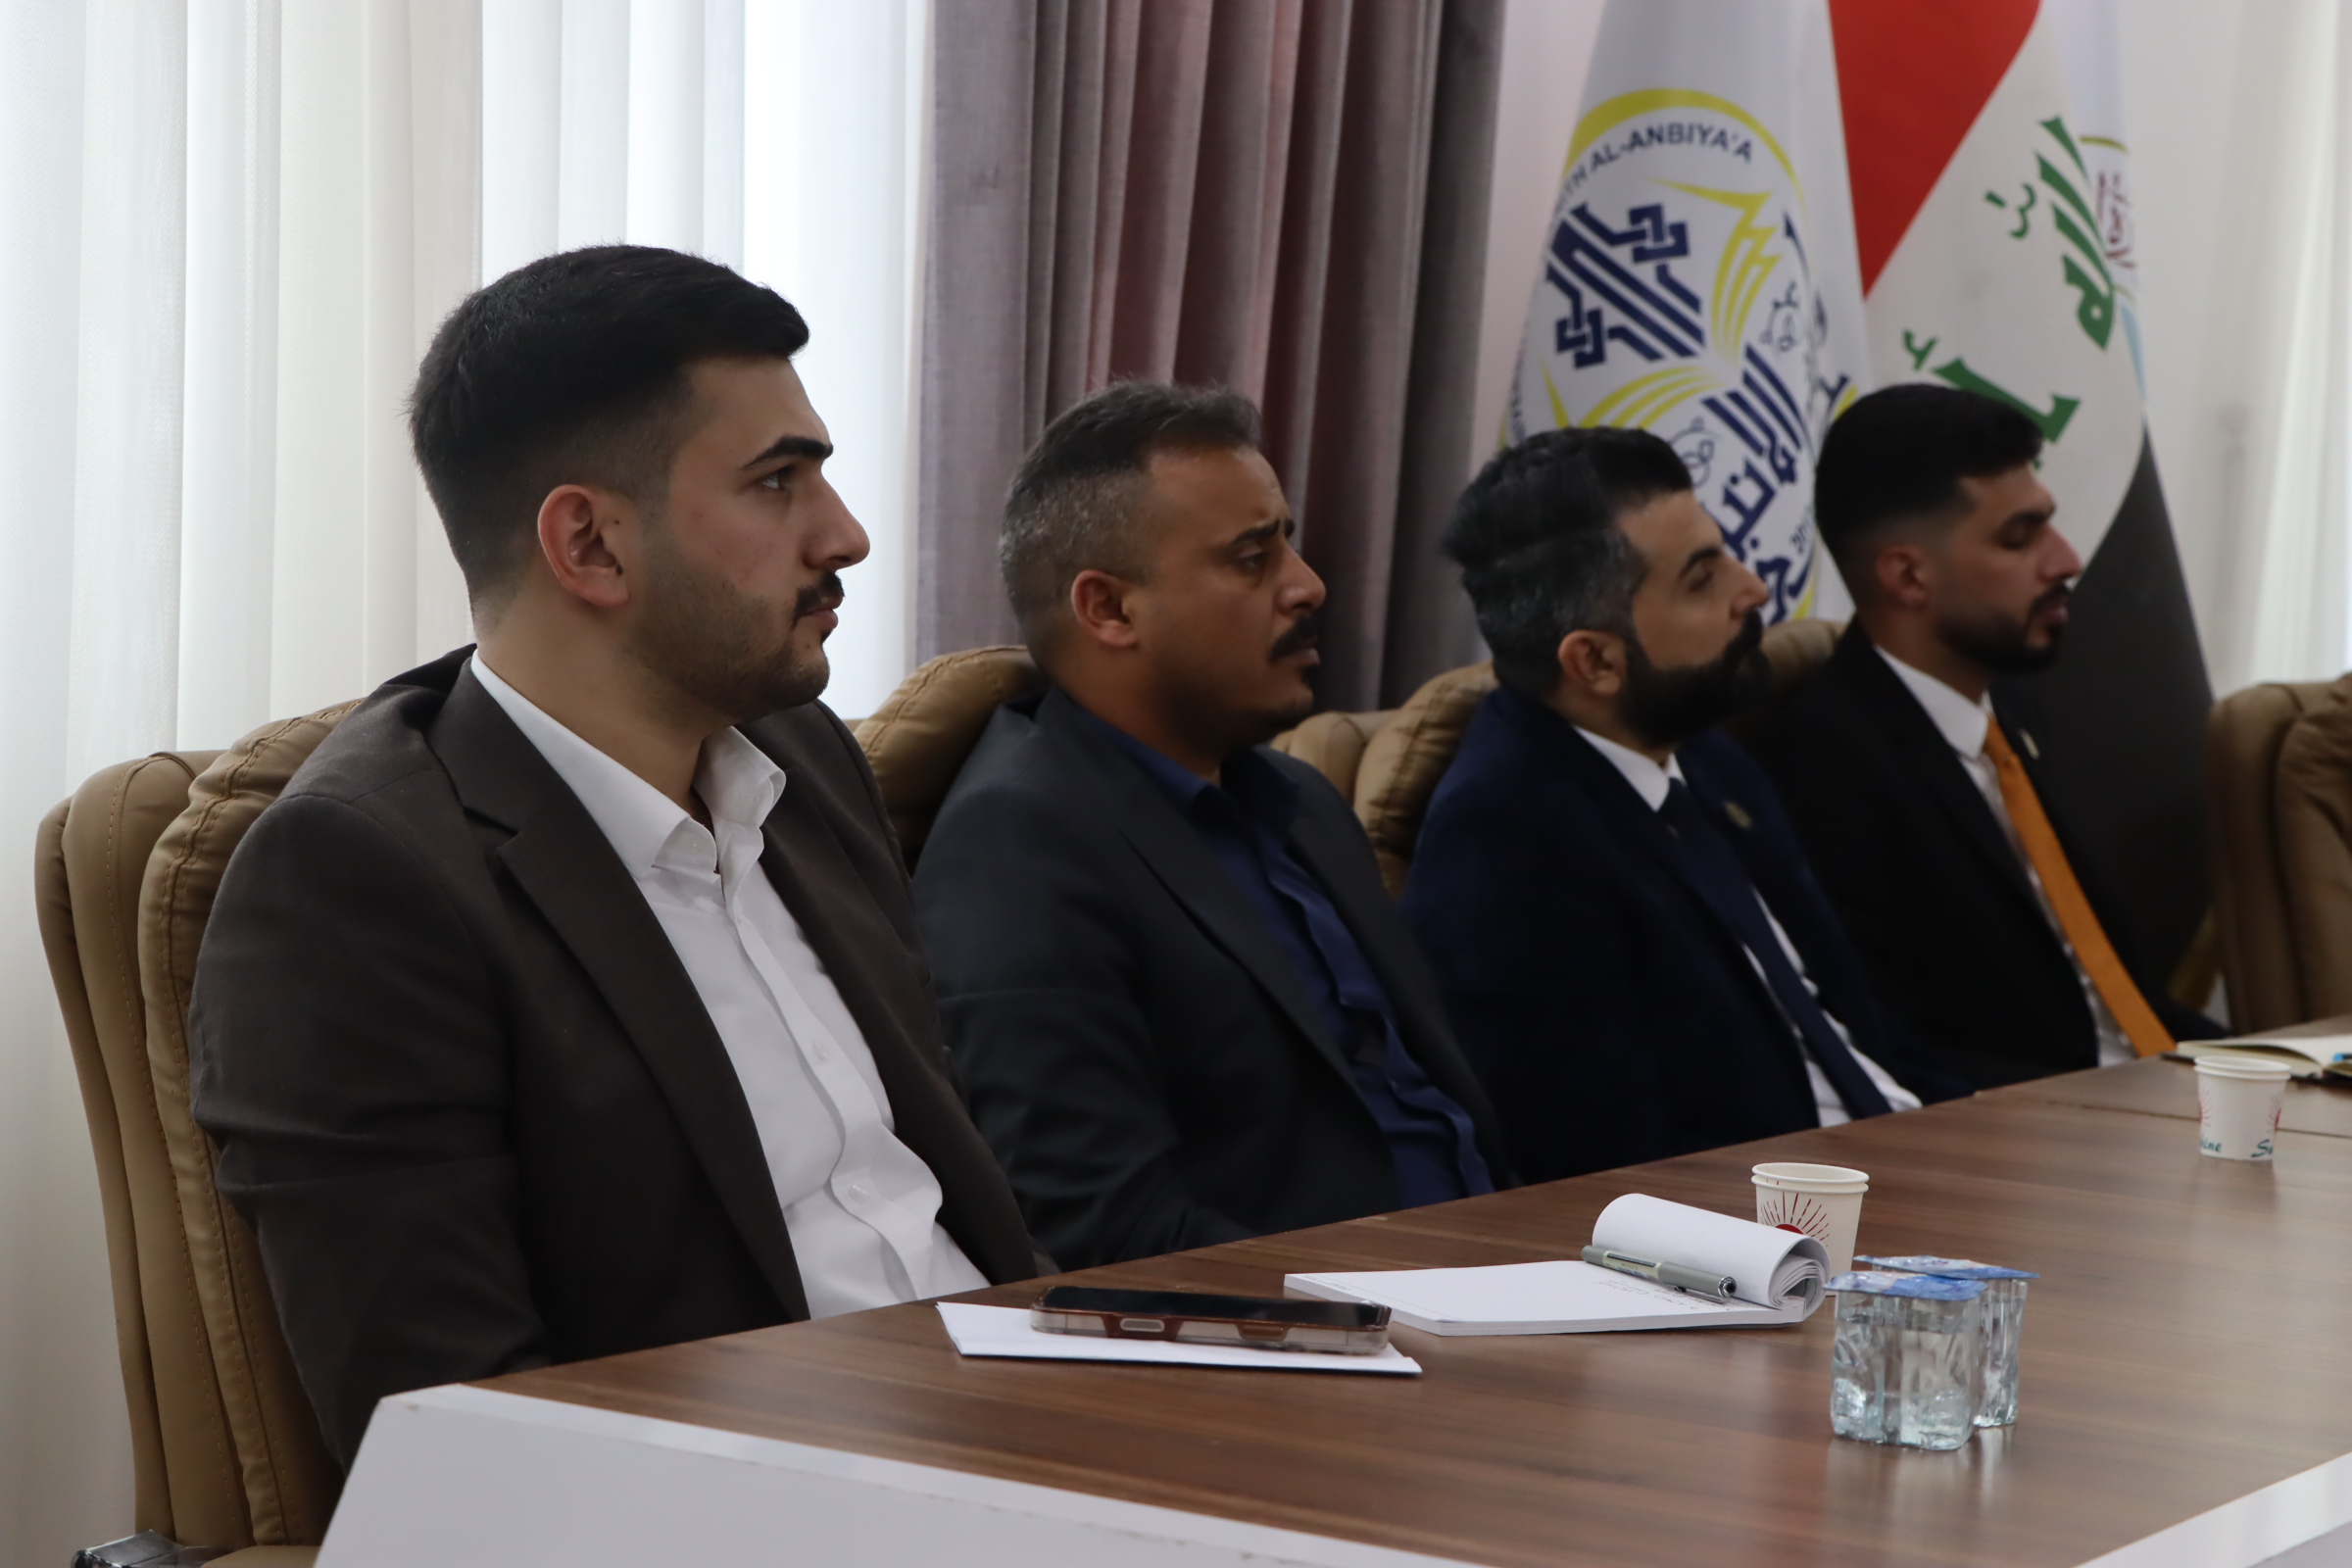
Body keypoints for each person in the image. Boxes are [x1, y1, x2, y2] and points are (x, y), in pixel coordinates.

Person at [189, 247, 1039, 1465]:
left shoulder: (805, 765)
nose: (845, 535)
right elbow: (459, 1447)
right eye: (777, 481)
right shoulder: (356, 883)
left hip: (1023, 1430)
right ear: (588, 543)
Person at [913, 381, 1512, 1269]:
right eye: (1252, 558)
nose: (1308, 584)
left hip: (1502, 1274)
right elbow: (1107, 1232)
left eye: (1289, 543)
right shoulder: (1017, 845)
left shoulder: (1300, 799)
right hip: (1333, 1326)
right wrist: (1405, 1308)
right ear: (1109, 609)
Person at [1402, 427, 1963, 1184]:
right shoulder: (1506, 841)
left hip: (1904, 1160)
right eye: (1702, 580)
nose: (1753, 589)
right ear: (1595, 660)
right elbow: (1601, 1171)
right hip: (1780, 1222)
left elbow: (1864, 1029)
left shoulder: (1705, 759)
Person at [1751, 384, 2222, 1088]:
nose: (2067, 561)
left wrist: (2279, 1067)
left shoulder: (2012, 715)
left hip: (2146, 1090)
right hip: (2031, 1125)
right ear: (1908, 575)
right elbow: (1888, 1044)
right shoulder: (1824, 766)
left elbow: (2122, 1003)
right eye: (2019, 537)